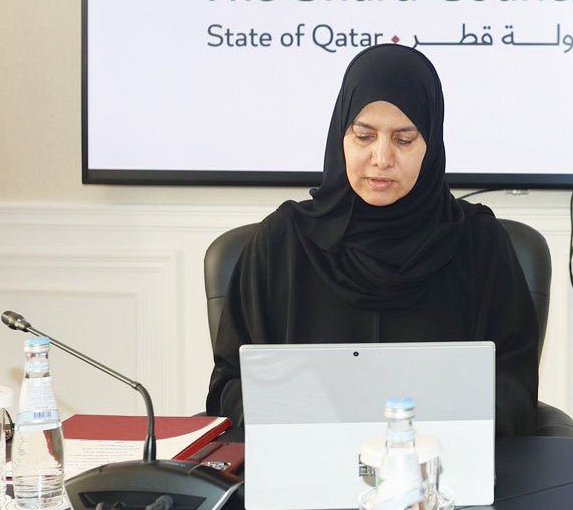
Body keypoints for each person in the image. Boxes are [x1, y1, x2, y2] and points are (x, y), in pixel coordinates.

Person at [205, 44, 539, 435]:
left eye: (403, 139)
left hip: (440, 476)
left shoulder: (480, 244)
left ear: (430, 144)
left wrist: (441, 428)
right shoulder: (282, 244)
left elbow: (514, 387)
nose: (381, 158)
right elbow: (229, 387)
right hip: (305, 474)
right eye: (364, 136)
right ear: (340, 137)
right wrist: (297, 417)